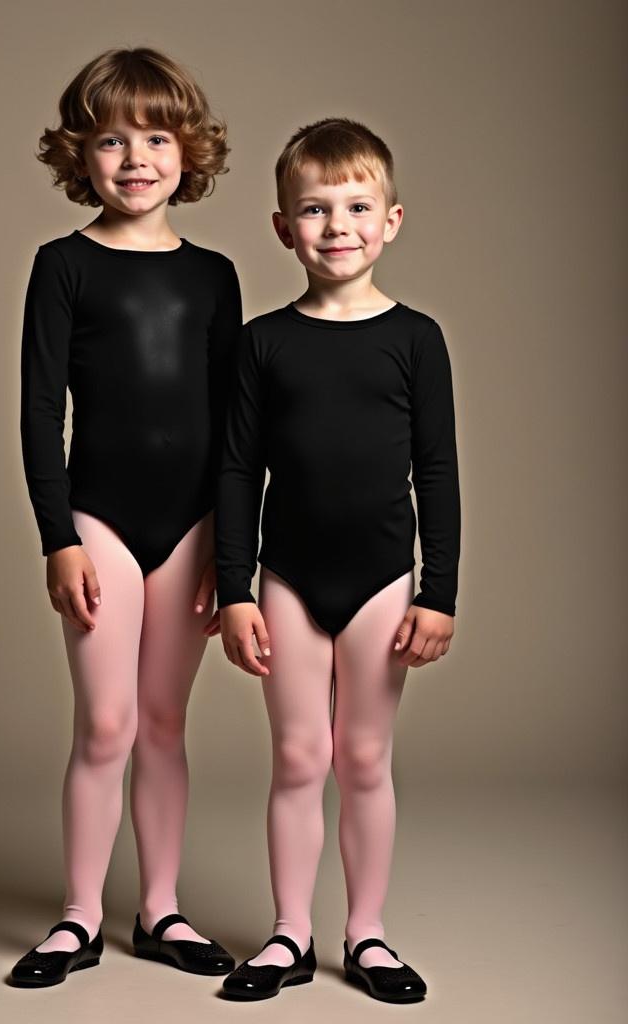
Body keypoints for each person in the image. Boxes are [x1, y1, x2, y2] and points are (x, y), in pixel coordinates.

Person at [212, 117, 461, 1002]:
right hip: (287, 579)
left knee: (362, 759)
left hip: (385, 583)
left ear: (392, 219)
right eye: (314, 209)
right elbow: (238, 469)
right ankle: (288, 933)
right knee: (297, 757)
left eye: (357, 206)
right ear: (284, 227)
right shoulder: (263, 341)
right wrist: (236, 590)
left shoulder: (416, 339)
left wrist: (439, 593)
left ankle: (366, 935)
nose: (337, 225)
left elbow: (437, 470)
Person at [10, 46, 242, 987]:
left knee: (162, 720)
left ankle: (160, 911)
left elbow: (239, 422)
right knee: (104, 724)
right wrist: (58, 534)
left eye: (155, 137)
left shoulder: (216, 275)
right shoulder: (62, 266)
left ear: (189, 151)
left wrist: (236, 541)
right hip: (99, 518)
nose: (136, 158)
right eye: (112, 140)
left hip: (195, 526)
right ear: (81, 156)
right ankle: (77, 916)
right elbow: (38, 411)